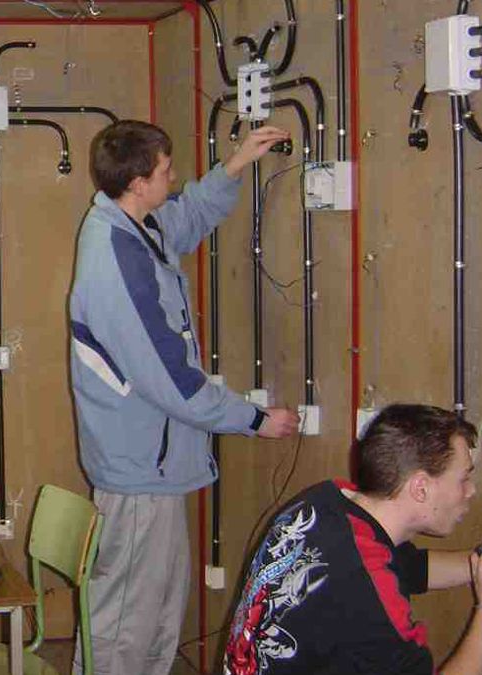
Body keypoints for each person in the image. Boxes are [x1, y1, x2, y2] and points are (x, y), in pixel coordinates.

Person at [68, 119, 301, 675]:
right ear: (140, 182)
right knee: (123, 628)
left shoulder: (128, 224)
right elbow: (170, 379)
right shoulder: (115, 257)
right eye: (167, 171)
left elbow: (186, 218)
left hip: (154, 465)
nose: (174, 178)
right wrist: (253, 419)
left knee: (155, 620)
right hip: (138, 472)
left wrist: (237, 163)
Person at [224, 403, 482, 675]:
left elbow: (411, 567)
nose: (471, 491)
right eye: (464, 479)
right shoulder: (367, 594)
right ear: (420, 488)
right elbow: (370, 584)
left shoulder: (324, 501)